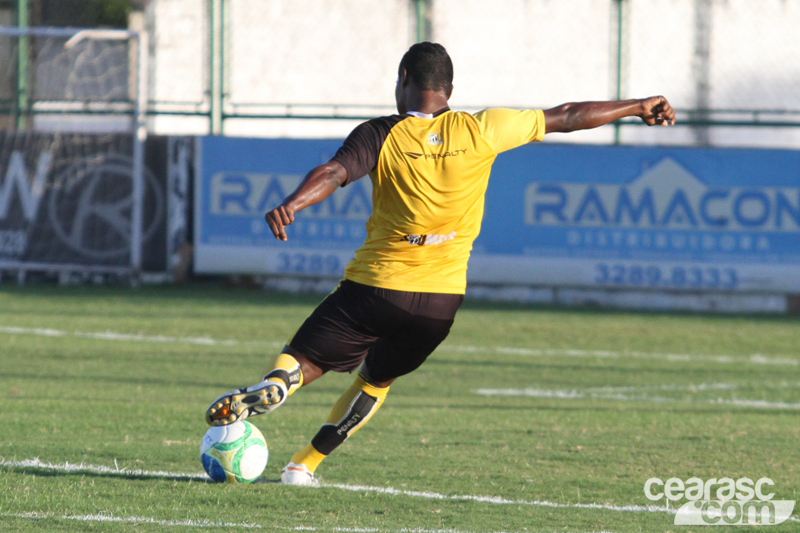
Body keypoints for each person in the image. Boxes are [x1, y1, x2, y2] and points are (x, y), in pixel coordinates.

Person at [205, 42, 676, 485]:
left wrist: (293, 202)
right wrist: (637, 106)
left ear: (404, 78)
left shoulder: (381, 133)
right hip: (440, 303)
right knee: (377, 380)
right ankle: (303, 465)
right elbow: (568, 115)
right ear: (449, 89)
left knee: (306, 358)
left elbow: (333, 172)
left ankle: (279, 383)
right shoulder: (483, 129)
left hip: (376, 288)